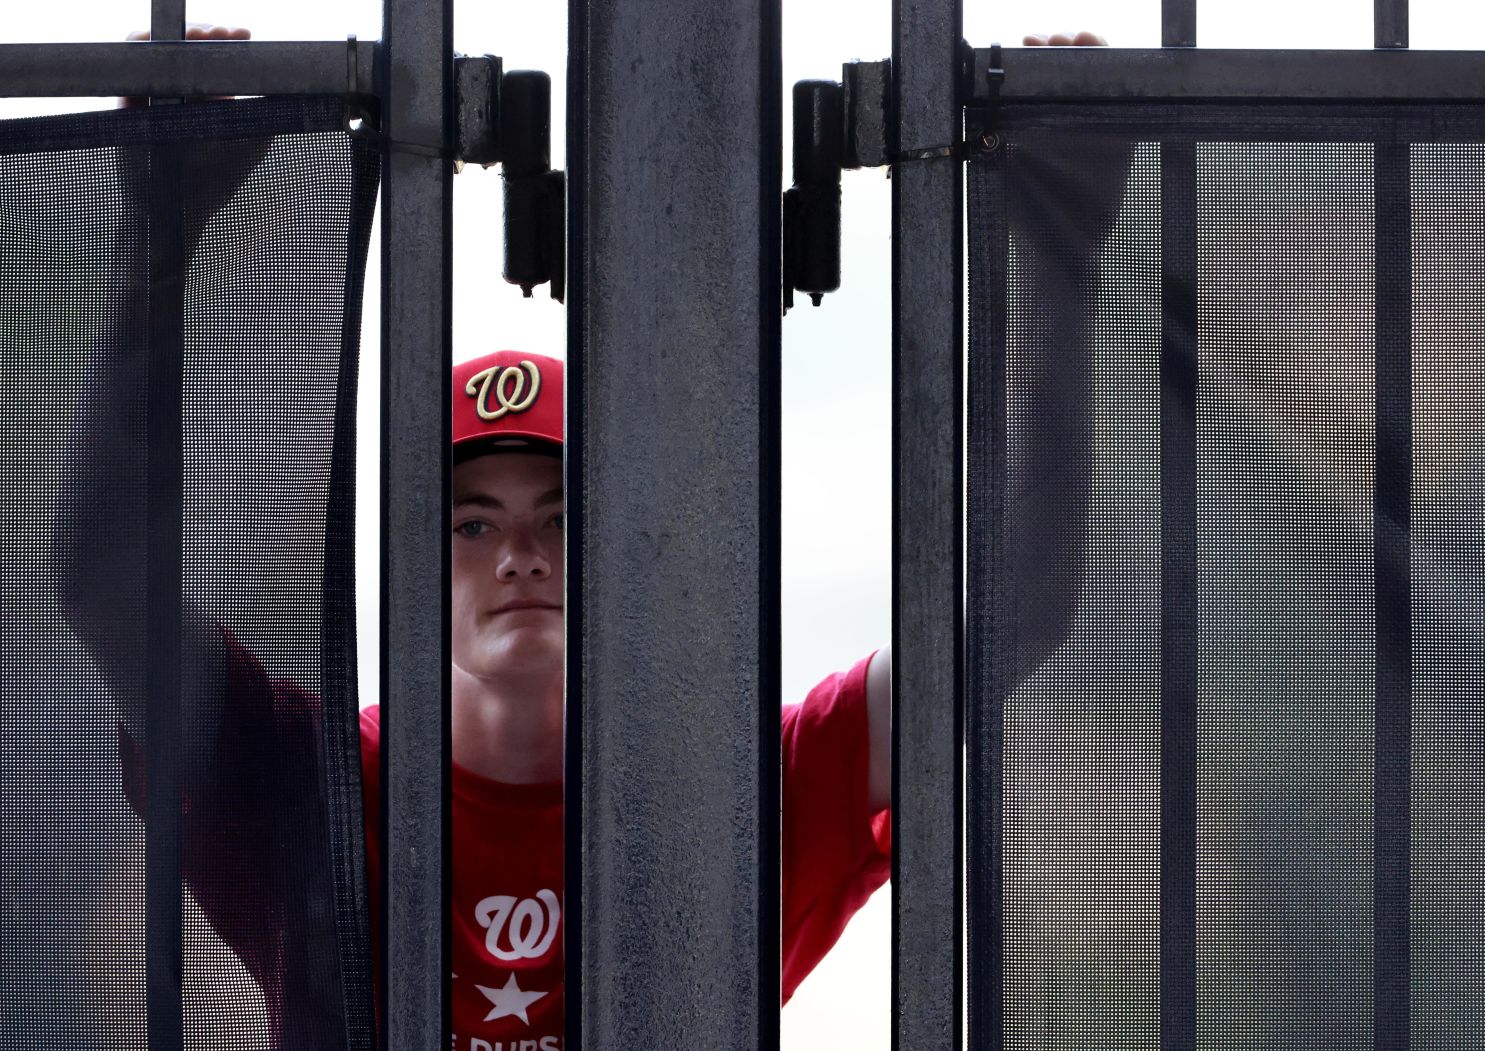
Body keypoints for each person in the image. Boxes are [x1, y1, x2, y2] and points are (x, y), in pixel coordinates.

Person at [68, 20, 1107, 1050]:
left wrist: (1064, 261)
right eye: (472, 522)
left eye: (563, 517)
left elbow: (1018, 608)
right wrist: (155, 244)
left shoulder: (754, 792)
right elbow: (103, 576)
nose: (521, 551)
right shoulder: (308, 780)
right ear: (412, 572)